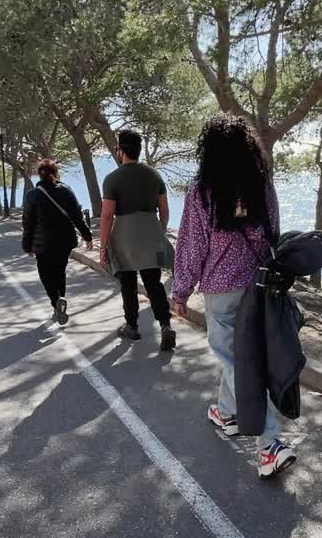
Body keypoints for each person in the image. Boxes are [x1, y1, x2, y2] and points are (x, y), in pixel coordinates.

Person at [171, 114, 297, 479]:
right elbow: (274, 231)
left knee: (239, 362)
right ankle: (227, 413)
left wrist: (181, 290)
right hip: (260, 286)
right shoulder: (262, 184)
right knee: (240, 357)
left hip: (222, 289)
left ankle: (269, 445)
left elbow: (193, 246)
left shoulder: (202, 191)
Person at [98, 129, 176, 351]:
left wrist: (103, 247)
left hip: (124, 238)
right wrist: (157, 231)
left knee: (128, 284)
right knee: (154, 284)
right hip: (151, 234)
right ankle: (165, 325)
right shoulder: (154, 175)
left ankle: (132, 326)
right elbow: (164, 210)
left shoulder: (112, 179)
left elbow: (106, 216)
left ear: (121, 150)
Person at [23, 159, 93, 325]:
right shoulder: (66, 190)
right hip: (64, 242)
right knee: (59, 272)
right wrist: (87, 235)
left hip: (42, 244)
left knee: (46, 275)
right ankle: (60, 299)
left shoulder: (32, 195)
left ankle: (56, 301)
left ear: (38, 175)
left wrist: (27, 246)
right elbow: (77, 216)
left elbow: (28, 223)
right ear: (55, 173)